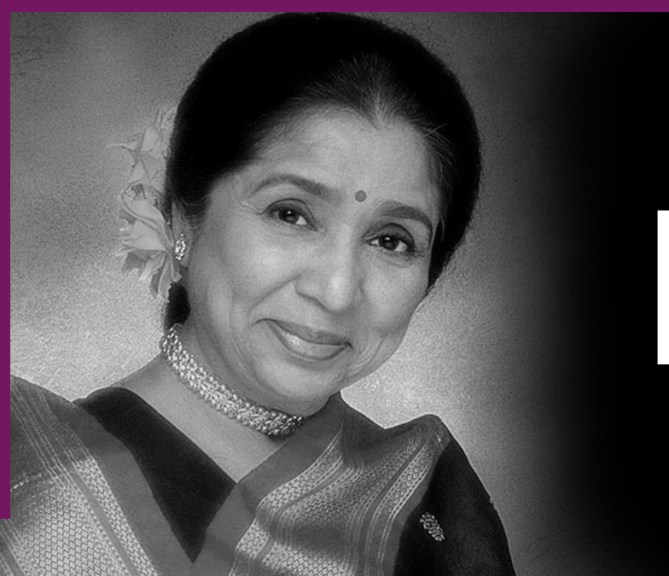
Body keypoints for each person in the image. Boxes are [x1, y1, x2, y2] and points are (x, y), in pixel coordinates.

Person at [2, 13, 515, 575]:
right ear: (184, 215)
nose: (336, 290)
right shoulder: (25, 482)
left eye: (391, 241)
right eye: (291, 214)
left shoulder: (429, 511)